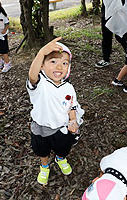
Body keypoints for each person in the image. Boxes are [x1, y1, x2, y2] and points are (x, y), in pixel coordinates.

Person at [27, 37, 84, 185]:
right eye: (53, 61)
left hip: (60, 128)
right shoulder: (40, 84)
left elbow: (71, 105)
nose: (59, 67)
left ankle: (60, 158)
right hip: (40, 128)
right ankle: (44, 166)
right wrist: (41, 54)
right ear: (42, 66)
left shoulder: (68, 88)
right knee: (42, 151)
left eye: (64, 63)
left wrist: (73, 120)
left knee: (62, 147)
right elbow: (32, 77)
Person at [95, 0, 127, 68]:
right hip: (107, 8)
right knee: (106, 35)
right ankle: (106, 59)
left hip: (118, 9)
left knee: (120, 35)